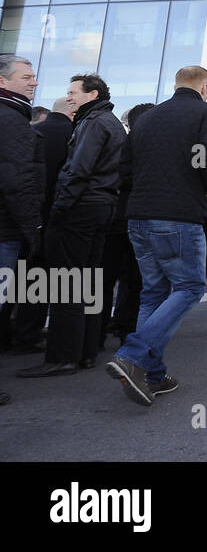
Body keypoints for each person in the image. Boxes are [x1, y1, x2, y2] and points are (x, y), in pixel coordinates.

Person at [105, 66, 207, 406]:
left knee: (154, 293)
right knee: (189, 288)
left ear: (176, 85)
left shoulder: (147, 119)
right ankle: (133, 354)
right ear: (204, 87)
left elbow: (124, 169)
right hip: (178, 216)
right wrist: (203, 189)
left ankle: (152, 375)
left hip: (138, 216)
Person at [19, 73, 126, 378]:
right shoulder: (111, 122)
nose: (69, 97)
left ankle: (61, 357)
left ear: (92, 94)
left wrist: (59, 208)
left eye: (73, 92)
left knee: (67, 283)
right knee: (88, 281)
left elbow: (78, 169)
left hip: (80, 208)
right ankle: (85, 352)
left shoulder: (92, 123)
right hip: (102, 207)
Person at [12, 96, 73, 355]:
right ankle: (30, 334)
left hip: (24, 215)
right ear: (72, 113)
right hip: (56, 216)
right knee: (44, 280)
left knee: (20, 275)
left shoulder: (33, 131)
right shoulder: (73, 135)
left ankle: (11, 333)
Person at [0, 54, 43, 403]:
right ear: (3, 82)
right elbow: (17, 180)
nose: (34, 81)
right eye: (26, 76)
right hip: (4, 229)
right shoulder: (11, 119)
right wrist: (33, 228)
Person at [101, 102, 152, 347]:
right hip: (137, 218)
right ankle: (126, 329)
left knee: (107, 278)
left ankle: (97, 334)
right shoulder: (149, 149)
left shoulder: (118, 143)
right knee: (135, 279)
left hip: (113, 217)